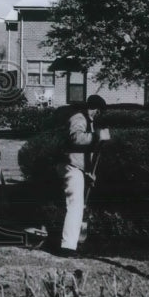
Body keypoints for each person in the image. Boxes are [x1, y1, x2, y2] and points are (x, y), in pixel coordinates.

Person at [57, 95, 110, 256]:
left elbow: (88, 152)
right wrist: (96, 136)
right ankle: (67, 247)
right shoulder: (79, 118)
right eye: (98, 111)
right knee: (75, 205)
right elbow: (75, 138)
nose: (99, 114)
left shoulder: (89, 121)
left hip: (79, 168)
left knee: (77, 206)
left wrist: (88, 173)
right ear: (94, 108)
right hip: (71, 166)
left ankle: (73, 243)